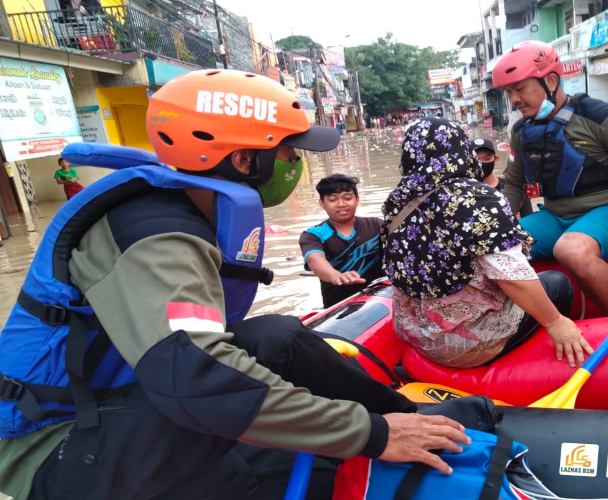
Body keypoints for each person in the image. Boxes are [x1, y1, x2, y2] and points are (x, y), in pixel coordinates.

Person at [0, 70, 469, 500]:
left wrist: (385, 421)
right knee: (271, 464)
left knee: (275, 337)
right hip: (54, 444)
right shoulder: (153, 235)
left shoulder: (186, 208)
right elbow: (197, 379)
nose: (296, 164)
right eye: (289, 152)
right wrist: (370, 434)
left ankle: (413, 418)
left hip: (123, 403)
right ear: (246, 159)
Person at [383, 118, 592, 370]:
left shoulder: (398, 201)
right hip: (462, 346)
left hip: (415, 333)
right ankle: (542, 361)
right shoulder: (478, 200)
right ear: (462, 151)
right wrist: (555, 323)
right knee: (557, 284)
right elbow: (512, 275)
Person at [493, 41, 608, 316]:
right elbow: (515, 183)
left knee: (571, 250)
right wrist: (496, 223)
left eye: (520, 89)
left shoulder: (601, 118)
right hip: (556, 216)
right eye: (508, 92)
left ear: (550, 80)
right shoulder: (520, 132)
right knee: (492, 244)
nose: (514, 99)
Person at [300, 174, 383, 308]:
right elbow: (314, 259)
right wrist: (335, 275)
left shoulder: (376, 225)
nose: (341, 204)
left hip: (380, 302)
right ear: (322, 203)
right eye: (333, 199)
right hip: (339, 309)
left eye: (347, 198)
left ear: (357, 199)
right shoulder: (313, 235)